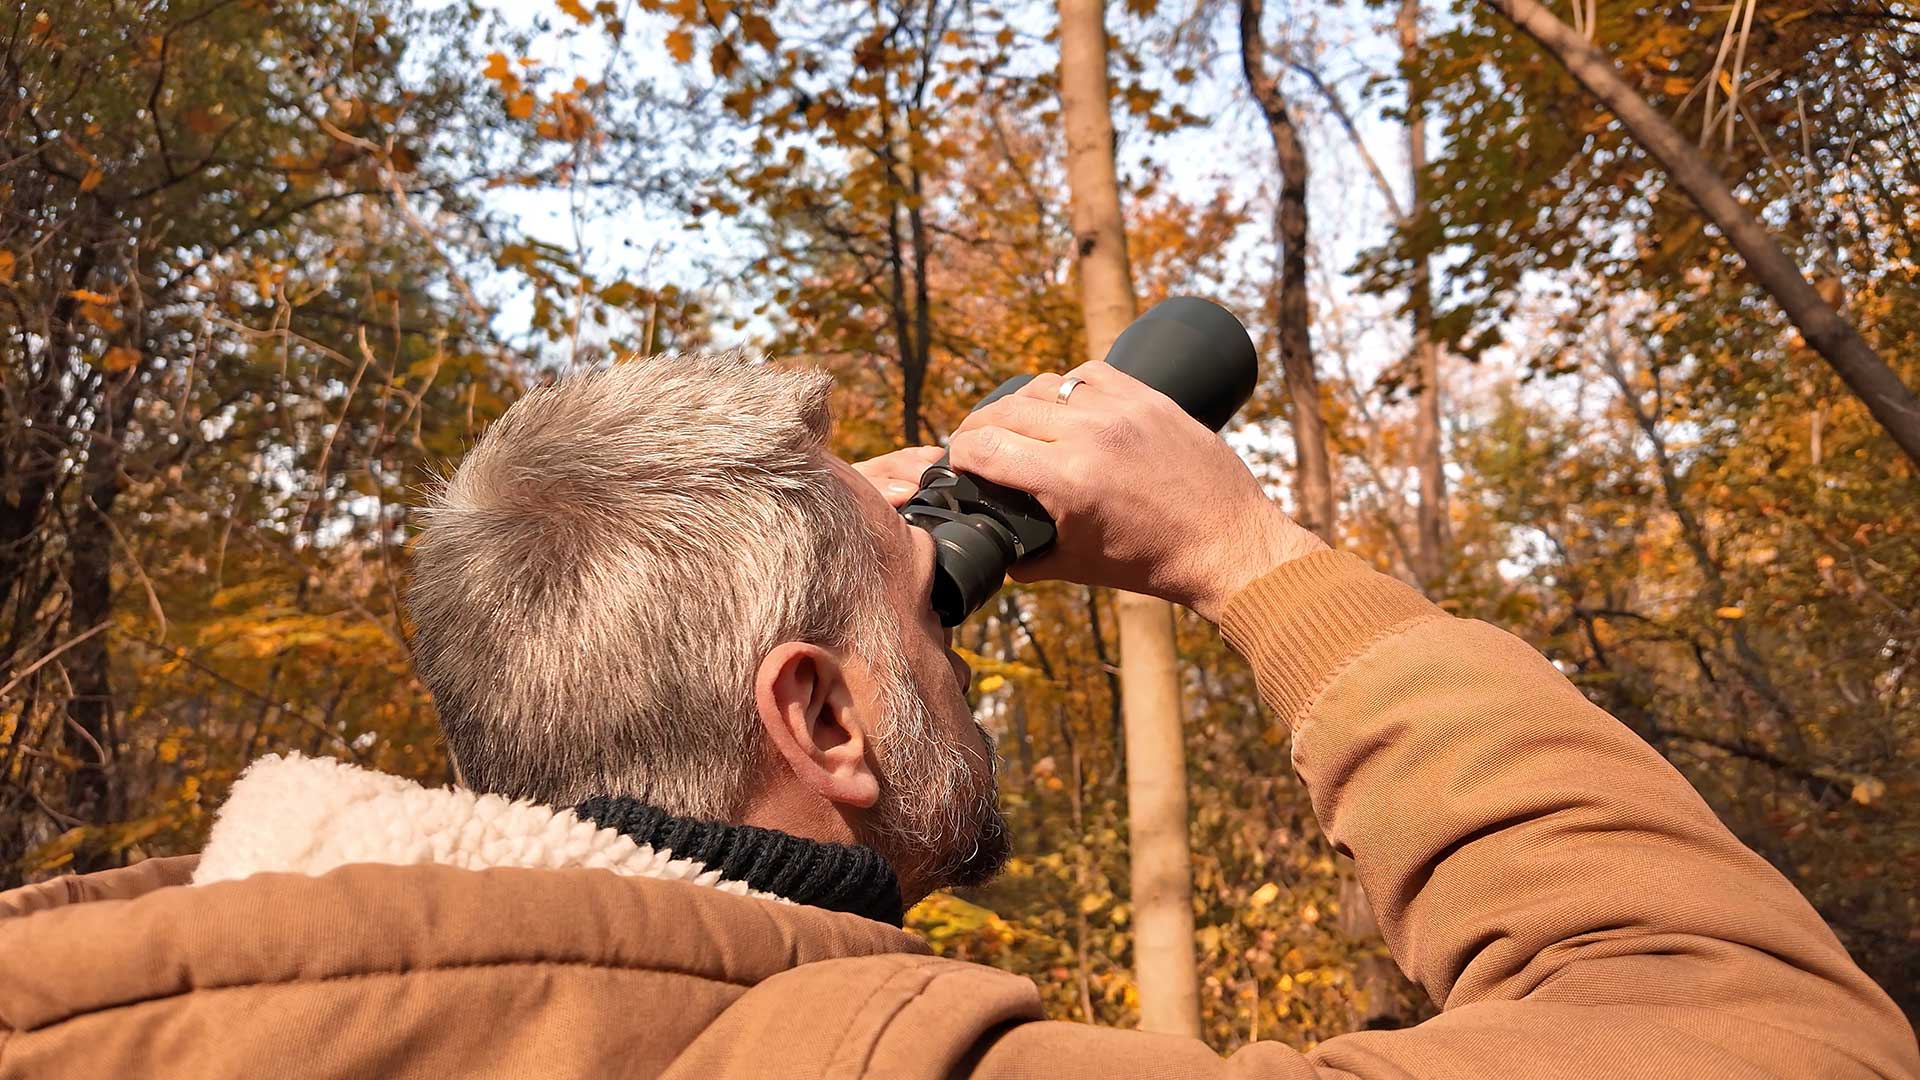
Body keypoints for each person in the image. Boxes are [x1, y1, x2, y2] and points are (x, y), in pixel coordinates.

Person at [1, 352, 1913, 1079]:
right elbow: (1762, 1037)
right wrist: (1252, 557)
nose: (966, 653)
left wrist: (851, 548)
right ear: (818, 719)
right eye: (931, 621)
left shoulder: (194, 997)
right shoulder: (855, 1067)